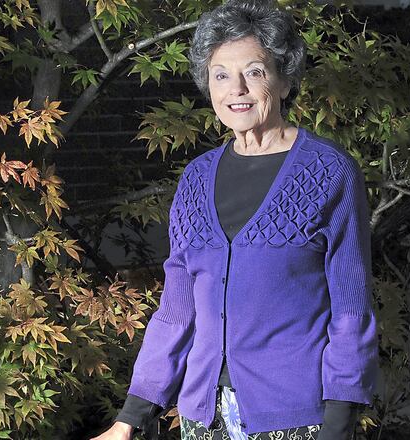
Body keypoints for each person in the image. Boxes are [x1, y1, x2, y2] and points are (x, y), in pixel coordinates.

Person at [90, 1, 379, 439]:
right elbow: (176, 310)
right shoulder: (196, 178)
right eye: (221, 74)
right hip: (204, 418)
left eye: (255, 72)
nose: (236, 89)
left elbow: (350, 309)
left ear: (284, 80)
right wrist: (130, 417)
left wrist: (337, 426)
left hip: (298, 418)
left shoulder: (329, 172)